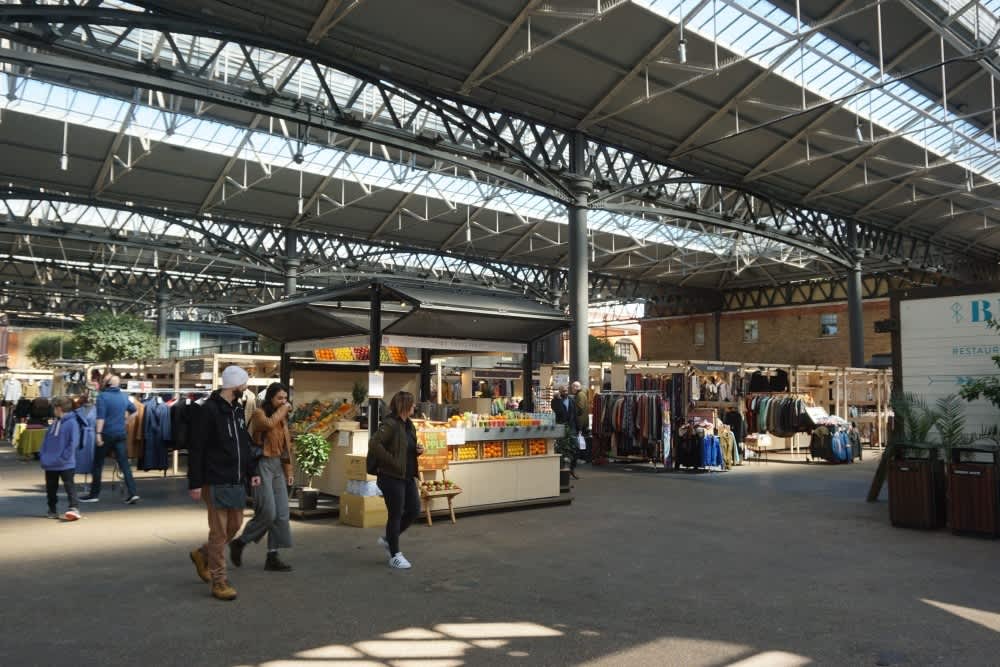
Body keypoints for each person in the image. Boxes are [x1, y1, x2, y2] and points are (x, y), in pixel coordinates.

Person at [188, 366, 261, 601]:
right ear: (234, 384)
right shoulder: (208, 410)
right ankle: (219, 581)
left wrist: (251, 471)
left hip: (236, 479)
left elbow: (243, 443)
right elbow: (197, 447)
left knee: (235, 525)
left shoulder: (237, 410)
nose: (246, 388)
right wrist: (195, 482)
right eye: (244, 384)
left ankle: (203, 554)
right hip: (215, 479)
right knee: (219, 532)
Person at [229, 382, 294, 573]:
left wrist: (289, 472)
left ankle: (272, 556)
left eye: (285, 398)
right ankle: (241, 542)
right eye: (279, 398)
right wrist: (283, 409)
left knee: (282, 514)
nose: (283, 402)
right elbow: (268, 424)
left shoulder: (282, 418)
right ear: (270, 399)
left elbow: (286, 446)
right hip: (262, 465)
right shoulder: (259, 414)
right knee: (268, 512)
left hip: (277, 467)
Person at [368, 390, 423, 570]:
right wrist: (391, 461)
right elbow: (374, 443)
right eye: (413, 403)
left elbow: (406, 446)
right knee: (396, 513)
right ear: (405, 405)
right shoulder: (391, 424)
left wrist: (417, 449)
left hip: (406, 475)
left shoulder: (409, 425)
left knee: (414, 510)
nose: (415, 406)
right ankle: (395, 555)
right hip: (391, 477)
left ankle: (388, 539)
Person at [80, 374, 139, 504]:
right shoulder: (124, 397)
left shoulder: (103, 397)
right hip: (120, 434)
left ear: (106, 384)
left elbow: (101, 417)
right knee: (124, 465)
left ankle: (94, 494)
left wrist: (98, 433)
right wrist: (126, 421)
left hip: (106, 433)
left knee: (98, 464)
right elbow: (135, 411)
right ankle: (132, 493)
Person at [40, 397, 82, 521]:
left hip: (65, 463)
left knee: (69, 486)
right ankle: (52, 509)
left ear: (59, 409)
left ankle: (74, 508)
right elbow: (46, 441)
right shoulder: (55, 423)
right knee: (51, 488)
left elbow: (73, 442)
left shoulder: (72, 423)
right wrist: (43, 455)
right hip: (51, 462)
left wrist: (64, 457)